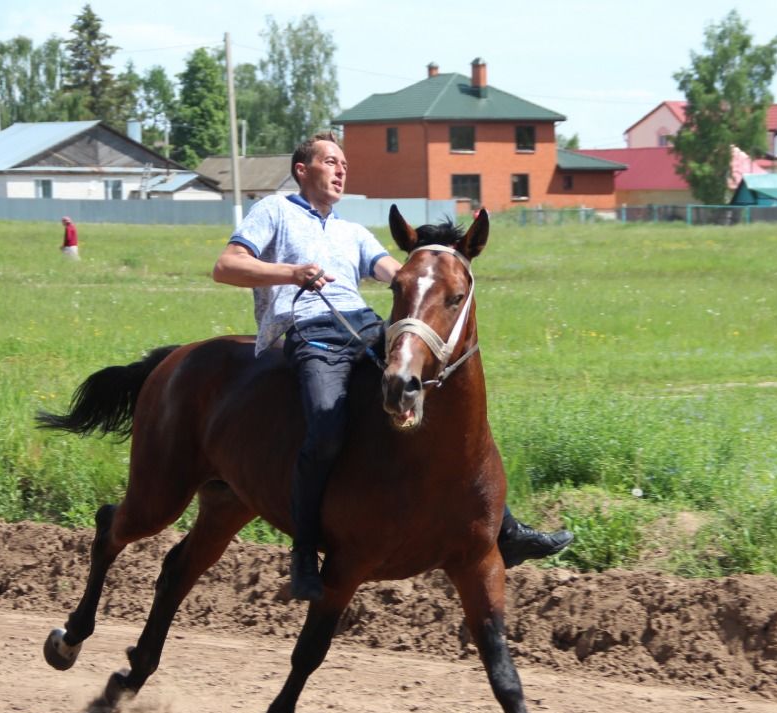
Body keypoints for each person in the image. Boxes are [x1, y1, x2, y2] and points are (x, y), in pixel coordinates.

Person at [212, 131, 571, 601]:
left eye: (344, 163)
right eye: (330, 161)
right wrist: (292, 273)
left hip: (363, 328)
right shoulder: (275, 211)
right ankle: (303, 553)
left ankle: (504, 526)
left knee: (448, 402)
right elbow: (225, 266)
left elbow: (404, 275)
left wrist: (439, 266)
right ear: (302, 170)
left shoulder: (352, 232)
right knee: (323, 427)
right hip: (310, 332)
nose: (341, 170)